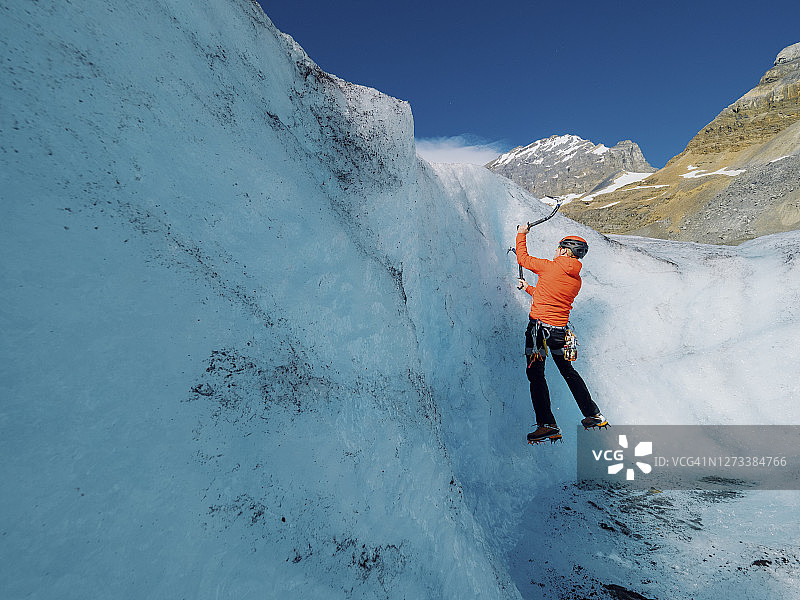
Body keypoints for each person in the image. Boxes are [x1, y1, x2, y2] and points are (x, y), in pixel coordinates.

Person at [515, 224, 607, 444]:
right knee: (568, 372)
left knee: (536, 375)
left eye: (558, 248)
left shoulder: (549, 267)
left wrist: (522, 232)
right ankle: (593, 414)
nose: (555, 251)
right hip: (560, 334)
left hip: (539, 332)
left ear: (565, 250)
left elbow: (523, 258)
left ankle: (547, 425)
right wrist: (528, 288)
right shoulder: (576, 281)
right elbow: (549, 296)